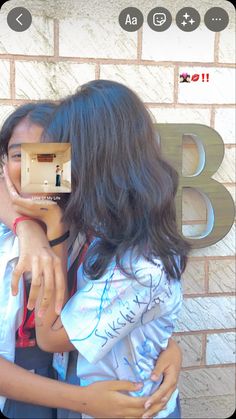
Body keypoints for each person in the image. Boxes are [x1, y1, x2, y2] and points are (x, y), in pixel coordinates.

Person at [10, 80, 190, 419]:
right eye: (24, 155)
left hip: (120, 408)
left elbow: (51, 338)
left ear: (93, 161)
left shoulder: (135, 259)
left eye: (56, 154)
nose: (45, 168)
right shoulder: (99, 224)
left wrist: (56, 236)